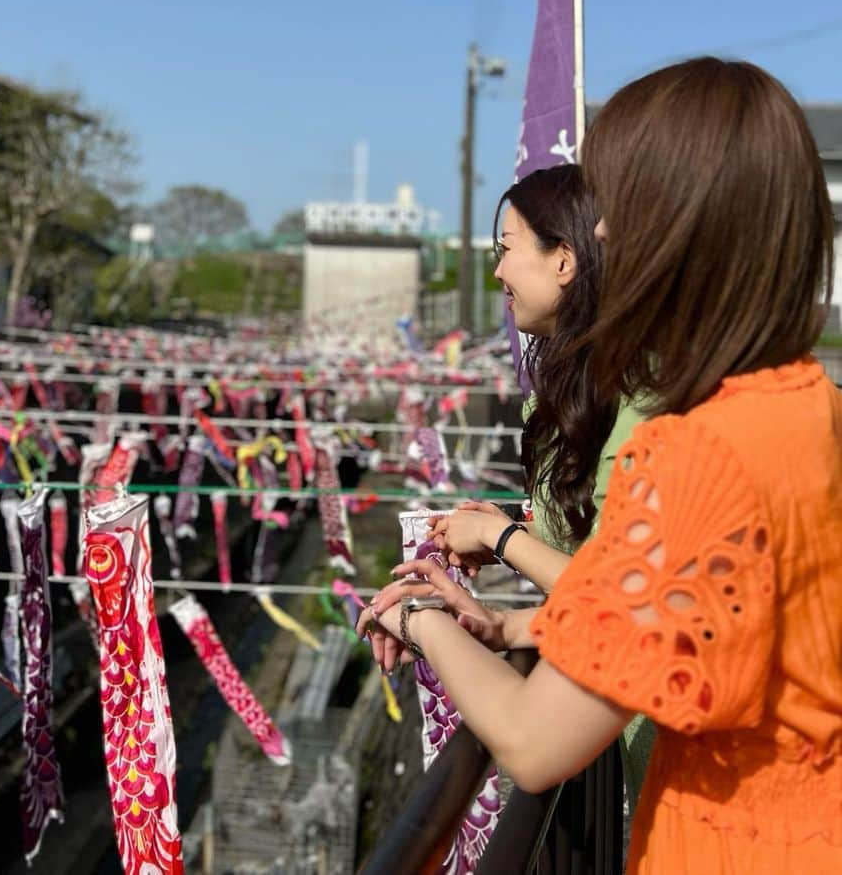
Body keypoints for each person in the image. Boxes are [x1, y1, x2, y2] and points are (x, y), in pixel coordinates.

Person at [359, 59, 841, 873]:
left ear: (684, 225)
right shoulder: (812, 402)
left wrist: (415, 619)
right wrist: (521, 626)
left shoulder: (697, 450)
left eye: (621, 207)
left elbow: (532, 743)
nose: (606, 235)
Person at [418, 163, 655, 805]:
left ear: (565, 262)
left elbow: (628, 596)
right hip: (617, 724)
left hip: (650, 739)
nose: (497, 273)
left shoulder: (642, 403)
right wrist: (511, 624)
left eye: (507, 249)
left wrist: (497, 540)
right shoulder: (569, 396)